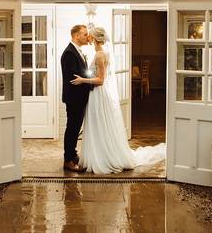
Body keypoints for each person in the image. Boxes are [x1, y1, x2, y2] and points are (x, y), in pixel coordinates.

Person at [70, 26, 165, 174]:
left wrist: (83, 80)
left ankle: (103, 157)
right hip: (96, 94)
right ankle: (99, 154)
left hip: (99, 94)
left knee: (99, 124)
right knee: (98, 125)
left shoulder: (100, 55)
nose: (87, 37)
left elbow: (101, 80)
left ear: (94, 38)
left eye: (89, 35)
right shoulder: (99, 53)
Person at [60, 24, 93, 172]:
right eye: (85, 34)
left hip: (79, 98)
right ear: (76, 35)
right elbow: (73, 78)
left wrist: (89, 78)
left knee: (75, 128)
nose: (87, 37)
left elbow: (82, 73)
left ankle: (72, 155)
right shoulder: (69, 53)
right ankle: (68, 160)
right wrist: (92, 80)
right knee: (72, 129)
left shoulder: (77, 51)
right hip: (74, 98)